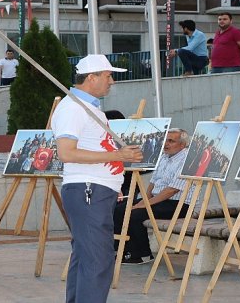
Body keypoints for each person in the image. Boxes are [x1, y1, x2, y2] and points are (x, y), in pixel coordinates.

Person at [52, 54, 143, 303]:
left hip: (93, 190)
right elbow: (66, 153)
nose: (111, 81)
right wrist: (118, 154)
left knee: (86, 257)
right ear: (91, 78)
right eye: (108, 75)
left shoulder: (88, 108)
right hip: (88, 190)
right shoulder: (73, 108)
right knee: (98, 259)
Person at [113, 128, 192, 264]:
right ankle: (123, 250)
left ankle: (142, 255)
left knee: (136, 214)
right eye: (165, 140)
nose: (166, 144)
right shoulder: (164, 157)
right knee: (119, 209)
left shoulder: (186, 160)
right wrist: (144, 198)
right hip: (158, 200)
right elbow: (153, 182)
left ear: (182, 145)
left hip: (177, 204)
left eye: (171, 141)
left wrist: (145, 204)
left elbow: (171, 190)